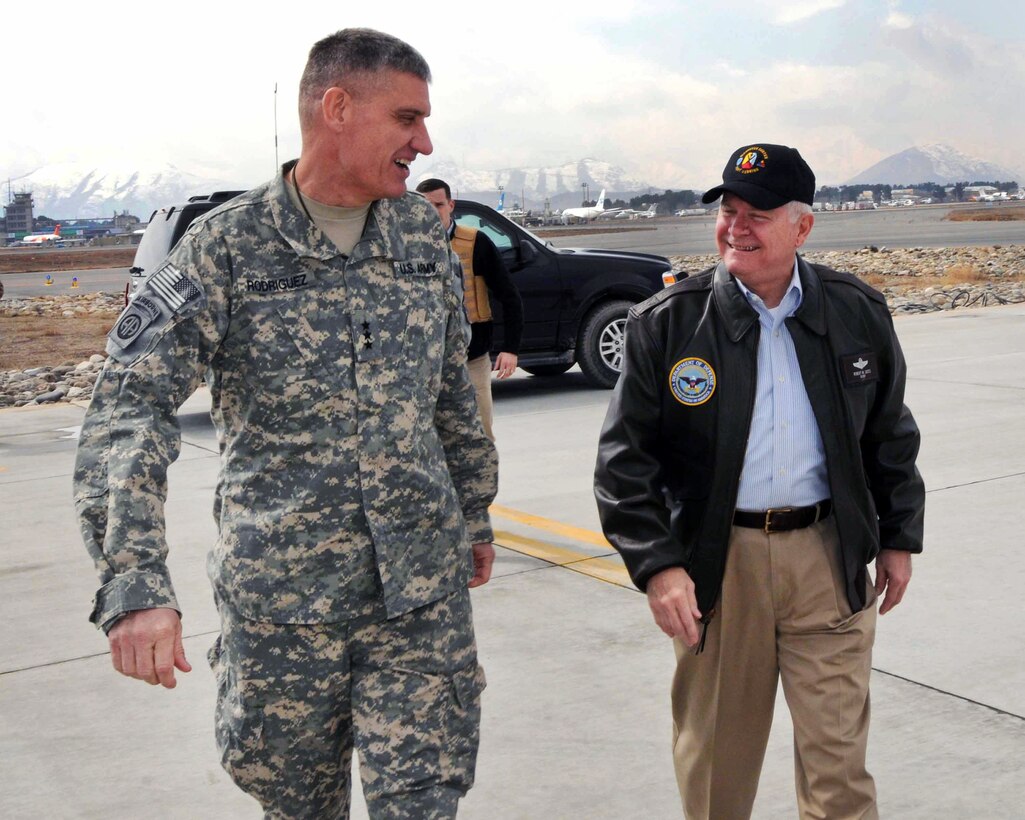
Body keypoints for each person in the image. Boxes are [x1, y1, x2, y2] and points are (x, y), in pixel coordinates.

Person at [74, 28, 498, 818]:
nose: (425, 142)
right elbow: (129, 410)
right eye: (407, 118)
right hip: (285, 607)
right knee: (297, 806)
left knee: (426, 801)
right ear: (337, 108)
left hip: (420, 595)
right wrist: (134, 583)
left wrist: (473, 513)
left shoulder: (419, 238)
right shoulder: (224, 249)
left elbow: (447, 394)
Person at [594, 143, 924, 819]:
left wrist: (897, 536)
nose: (735, 227)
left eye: (758, 214)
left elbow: (887, 432)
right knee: (717, 769)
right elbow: (624, 462)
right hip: (718, 565)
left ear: (802, 227)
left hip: (825, 558)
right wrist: (658, 567)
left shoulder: (854, 311)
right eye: (729, 211)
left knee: (838, 773)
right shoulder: (670, 323)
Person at [415, 178, 523, 441]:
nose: (433, 212)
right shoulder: (407, 248)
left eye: (438, 205)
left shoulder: (476, 243)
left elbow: (509, 296)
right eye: (425, 207)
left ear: (450, 205)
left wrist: (510, 349)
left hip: (472, 358)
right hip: (426, 363)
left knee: (480, 433)